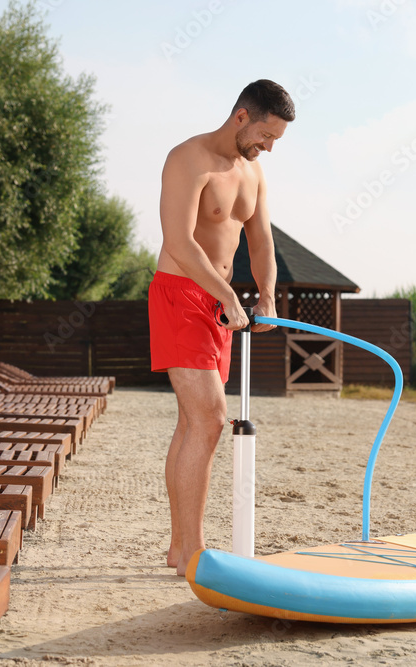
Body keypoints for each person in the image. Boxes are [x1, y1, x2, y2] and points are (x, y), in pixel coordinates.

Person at [150, 79, 295, 576]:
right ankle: (194, 552)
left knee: (193, 423)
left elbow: (261, 241)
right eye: (265, 135)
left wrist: (267, 295)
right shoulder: (187, 159)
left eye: (276, 140)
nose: (268, 147)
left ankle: (179, 549)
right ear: (241, 116)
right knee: (211, 420)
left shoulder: (253, 173)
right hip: (181, 294)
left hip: (219, 306)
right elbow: (179, 241)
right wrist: (229, 295)